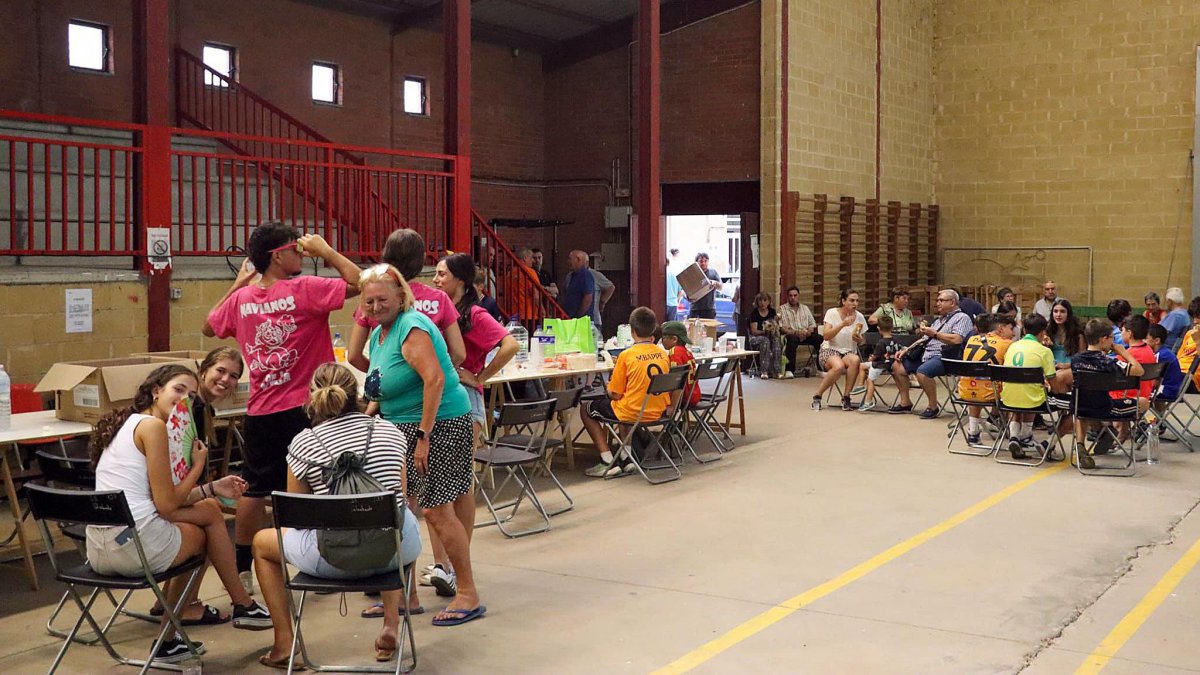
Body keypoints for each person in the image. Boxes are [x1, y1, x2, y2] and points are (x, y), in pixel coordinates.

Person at [202, 222, 360, 596]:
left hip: (261, 413)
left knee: (254, 490)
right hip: (308, 411)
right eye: (295, 248)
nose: (301, 253)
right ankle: (317, 561)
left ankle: (243, 569)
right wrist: (327, 251)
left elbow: (209, 326)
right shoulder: (305, 289)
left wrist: (239, 283)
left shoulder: (241, 300)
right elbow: (361, 282)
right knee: (319, 484)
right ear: (277, 256)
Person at [87, 365, 270, 663]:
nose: (185, 400)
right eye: (178, 389)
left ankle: (239, 605)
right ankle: (227, 609)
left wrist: (212, 488)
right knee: (203, 534)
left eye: (192, 395)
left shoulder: (130, 423)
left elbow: (162, 499)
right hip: (132, 549)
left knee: (209, 510)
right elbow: (168, 506)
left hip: (98, 548)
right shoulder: (153, 427)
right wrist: (198, 465)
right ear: (156, 390)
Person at [252, 364, 421, 668]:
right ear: (357, 394)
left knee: (262, 544)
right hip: (395, 555)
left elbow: (298, 516)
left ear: (311, 397)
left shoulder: (304, 443)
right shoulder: (390, 431)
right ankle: (390, 625)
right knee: (395, 518)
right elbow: (400, 497)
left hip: (332, 561)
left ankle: (284, 643)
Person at [359, 263, 484, 627]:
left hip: (439, 424)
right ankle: (405, 596)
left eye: (382, 299)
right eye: (369, 301)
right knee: (401, 511)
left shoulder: (411, 327)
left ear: (401, 296)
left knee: (436, 511)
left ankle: (467, 593)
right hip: (401, 427)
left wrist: (423, 438)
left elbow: (435, 379)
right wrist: (365, 421)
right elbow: (384, 387)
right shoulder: (380, 333)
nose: (375, 306)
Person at [153, 347, 246, 623]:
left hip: (165, 496)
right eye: (221, 371)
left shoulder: (202, 407)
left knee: (208, 508)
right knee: (208, 517)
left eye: (233, 376)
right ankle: (189, 603)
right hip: (157, 505)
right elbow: (180, 469)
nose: (226, 379)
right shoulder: (189, 409)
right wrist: (208, 488)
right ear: (203, 370)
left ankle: (169, 600)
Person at [348, 229, 465, 372]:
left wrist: (382, 375)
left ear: (386, 257)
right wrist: (433, 372)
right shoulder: (439, 298)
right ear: (421, 260)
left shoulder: (372, 299)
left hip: (390, 380)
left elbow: (353, 356)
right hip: (431, 380)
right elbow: (459, 353)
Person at [579, 307, 672, 477]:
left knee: (586, 409)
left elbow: (615, 394)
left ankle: (607, 460)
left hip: (633, 411)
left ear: (632, 330)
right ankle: (626, 456)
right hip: (658, 411)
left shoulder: (626, 355)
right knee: (626, 403)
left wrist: (609, 387)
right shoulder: (663, 354)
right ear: (653, 329)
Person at [1071, 318, 1145, 468]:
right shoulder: (1109, 362)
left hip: (1080, 408)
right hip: (1106, 410)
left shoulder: (1075, 360)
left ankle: (1080, 443)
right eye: (1112, 338)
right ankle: (1122, 434)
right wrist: (1123, 352)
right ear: (1103, 339)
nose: (1113, 341)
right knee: (1144, 401)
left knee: (1083, 406)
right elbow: (1139, 370)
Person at [891, 288, 975, 418]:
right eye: (938, 300)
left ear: (952, 302)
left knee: (923, 372)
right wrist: (906, 350)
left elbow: (957, 339)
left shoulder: (962, 318)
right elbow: (924, 339)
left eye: (941, 300)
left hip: (945, 355)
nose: (938, 303)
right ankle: (905, 402)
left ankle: (932, 406)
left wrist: (935, 334)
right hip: (926, 353)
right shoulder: (939, 320)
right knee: (897, 366)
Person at [999, 313, 1057, 459]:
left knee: (1018, 390)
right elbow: (1052, 380)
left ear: (1024, 330)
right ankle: (1025, 436)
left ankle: (1014, 436)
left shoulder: (1012, 346)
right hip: (1032, 400)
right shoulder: (1045, 351)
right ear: (1043, 332)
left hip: (1007, 399)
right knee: (1035, 390)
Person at [957, 313, 1015, 444]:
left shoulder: (972, 339)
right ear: (1000, 329)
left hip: (964, 392)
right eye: (1011, 329)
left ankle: (973, 432)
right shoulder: (1008, 344)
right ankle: (1016, 434)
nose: (1013, 334)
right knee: (1013, 384)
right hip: (991, 394)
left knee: (976, 382)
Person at [811, 288, 867, 411]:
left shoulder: (859, 317)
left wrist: (859, 340)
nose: (855, 304)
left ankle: (846, 397)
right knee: (839, 366)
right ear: (843, 301)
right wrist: (842, 324)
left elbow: (863, 341)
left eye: (857, 301)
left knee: (855, 360)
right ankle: (818, 395)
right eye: (852, 300)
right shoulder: (832, 313)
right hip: (830, 349)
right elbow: (826, 336)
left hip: (848, 351)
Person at [857, 315, 902, 413]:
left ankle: (868, 400)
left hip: (879, 364)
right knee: (862, 365)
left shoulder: (881, 342)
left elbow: (875, 356)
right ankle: (860, 385)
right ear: (892, 328)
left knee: (870, 380)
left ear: (878, 328)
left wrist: (871, 357)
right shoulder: (895, 340)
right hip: (891, 364)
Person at [779, 285, 820, 377]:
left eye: (795, 295)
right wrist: (795, 332)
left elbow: (812, 323)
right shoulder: (782, 309)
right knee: (792, 339)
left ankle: (820, 367)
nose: (793, 298)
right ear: (787, 297)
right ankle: (789, 370)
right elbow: (781, 327)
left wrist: (809, 331)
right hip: (791, 334)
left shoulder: (805, 308)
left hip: (805, 334)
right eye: (790, 296)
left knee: (820, 339)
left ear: (798, 296)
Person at [660, 321, 701, 408]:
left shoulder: (674, 352)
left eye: (663, 338)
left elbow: (676, 380)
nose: (661, 341)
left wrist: (673, 405)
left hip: (682, 399)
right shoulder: (687, 352)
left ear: (674, 339)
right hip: (693, 396)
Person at [1148, 324, 1183, 415]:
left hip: (1167, 390)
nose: (1143, 341)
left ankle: (1137, 420)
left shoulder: (1161, 356)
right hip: (1171, 388)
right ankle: (1159, 420)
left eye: (1146, 338)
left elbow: (1154, 381)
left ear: (1157, 341)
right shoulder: (1164, 352)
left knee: (1138, 395)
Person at [746, 292, 782, 379]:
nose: (762, 303)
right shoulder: (754, 313)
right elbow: (754, 331)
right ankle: (764, 371)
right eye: (760, 301)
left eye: (765, 300)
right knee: (765, 341)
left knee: (776, 340)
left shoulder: (772, 312)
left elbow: (775, 326)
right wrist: (765, 331)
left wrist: (776, 322)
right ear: (757, 302)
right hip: (756, 337)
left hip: (770, 335)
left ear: (769, 302)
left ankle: (777, 370)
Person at [1047, 298, 1085, 365]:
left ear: (1068, 314)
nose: (1058, 315)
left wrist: (1067, 366)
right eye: (1055, 311)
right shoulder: (1048, 331)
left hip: (1071, 367)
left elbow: (1082, 358)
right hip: (1052, 366)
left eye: (1062, 311)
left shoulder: (1077, 333)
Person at [561, 250, 596, 319]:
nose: (568, 262)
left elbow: (588, 297)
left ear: (578, 260)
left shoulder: (585, 275)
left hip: (580, 320)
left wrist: (578, 316)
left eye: (570, 259)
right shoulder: (573, 275)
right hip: (571, 318)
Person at [688, 253, 723, 320]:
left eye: (705, 261)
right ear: (696, 262)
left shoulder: (713, 272)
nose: (703, 263)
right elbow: (684, 290)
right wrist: (687, 296)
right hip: (695, 309)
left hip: (709, 309)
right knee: (693, 326)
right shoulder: (692, 273)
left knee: (709, 327)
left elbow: (721, 287)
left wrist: (715, 283)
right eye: (701, 261)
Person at [665, 248, 684, 321]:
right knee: (672, 325)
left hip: (663, 304)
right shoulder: (675, 274)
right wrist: (677, 300)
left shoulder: (660, 275)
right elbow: (680, 292)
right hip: (673, 304)